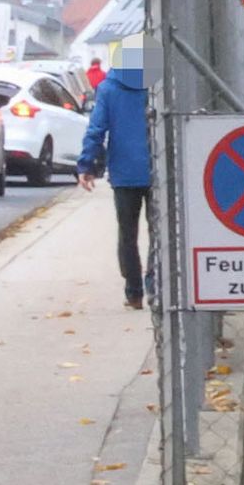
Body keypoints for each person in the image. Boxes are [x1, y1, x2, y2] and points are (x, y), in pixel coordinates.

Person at [74, 38, 154, 304]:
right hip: (158, 170)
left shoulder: (108, 89)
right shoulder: (155, 87)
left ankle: (134, 291)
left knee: (127, 234)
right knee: (161, 233)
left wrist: (86, 165)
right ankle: (155, 285)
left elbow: (97, 129)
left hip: (124, 172)